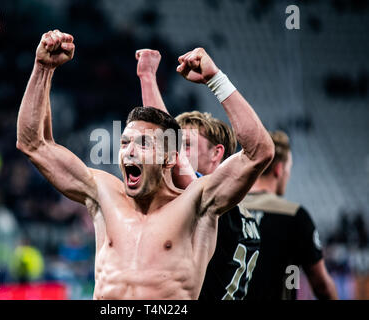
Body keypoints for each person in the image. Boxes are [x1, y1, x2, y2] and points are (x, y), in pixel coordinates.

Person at [16, 30, 274, 299]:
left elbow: (259, 152)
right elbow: (33, 143)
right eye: (125, 142)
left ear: (170, 158)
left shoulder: (198, 204)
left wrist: (215, 79)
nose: (129, 152)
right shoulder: (103, 193)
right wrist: (42, 68)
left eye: (143, 144)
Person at [136, 49, 261, 300]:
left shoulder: (210, 200)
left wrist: (147, 76)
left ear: (217, 153)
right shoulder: (245, 215)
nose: (176, 153)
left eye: (187, 146)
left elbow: (166, 140)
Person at [241, 130, 338, 300]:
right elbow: (321, 285)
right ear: (279, 169)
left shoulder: (228, 210)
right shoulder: (295, 216)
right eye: (288, 169)